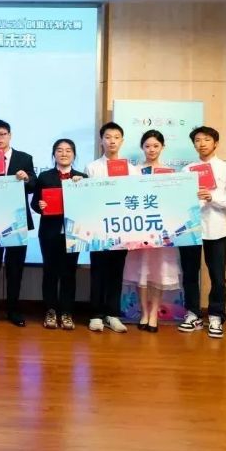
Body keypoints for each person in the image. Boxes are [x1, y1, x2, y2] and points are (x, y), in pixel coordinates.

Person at [178, 126, 226, 339]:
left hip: (216, 228)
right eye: (197, 140)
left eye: (206, 139)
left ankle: (216, 316)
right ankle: (193, 314)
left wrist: (212, 197)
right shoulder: (187, 171)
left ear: (216, 143)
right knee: (189, 274)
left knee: (218, 276)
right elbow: (179, 201)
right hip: (191, 229)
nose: (202, 143)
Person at [123, 130, 181, 333]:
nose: (151, 150)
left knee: (158, 272)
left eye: (156, 146)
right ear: (142, 147)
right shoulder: (133, 172)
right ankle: (144, 312)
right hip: (139, 230)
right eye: (147, 146)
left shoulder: (171, 173)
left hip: (161, 230)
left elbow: (175, 202)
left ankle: (154, 313)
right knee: (140, 271)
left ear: (162, 147)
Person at [0, 119, 36, 327]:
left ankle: (13, 311)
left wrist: (26, 178)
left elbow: (33, 184)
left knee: (15, 269)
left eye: (2, 134)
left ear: (10, 135)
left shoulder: (24, 158)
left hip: (17, 222)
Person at [31, 139, 85, 330]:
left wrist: (82, 188)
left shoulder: (82, 177)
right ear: (54, 154)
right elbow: (35, 203)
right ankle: (51, 310)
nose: (64, 154)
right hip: (49, 232)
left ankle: (67, 312)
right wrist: (40, 205)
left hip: (74, 233)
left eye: (68, 150)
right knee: (50, 271)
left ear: (74, 154)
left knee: (69, 273)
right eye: (59, 150)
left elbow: (88, 205)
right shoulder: (45, 176)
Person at [84, 122, 129, 333]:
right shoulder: (92, 168)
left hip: (122, 229)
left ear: (122, 141)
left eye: (116, 137)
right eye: (108, 137)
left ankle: (113, 314)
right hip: (98, 229)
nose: (112, 141)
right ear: (101, 141)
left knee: (116, 272)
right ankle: (95, 315)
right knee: (98, 272)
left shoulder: (132, 169)